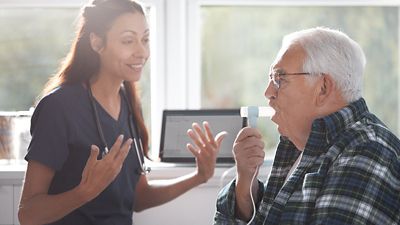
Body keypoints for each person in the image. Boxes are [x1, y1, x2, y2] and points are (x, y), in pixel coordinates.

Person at [17, 0, 226, 224]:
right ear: (97, 42)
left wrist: (199, 176)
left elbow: (138, 197)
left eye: (145, 39)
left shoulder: (128, 103)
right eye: (128, 40)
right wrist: (85, 192)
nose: (142, 52)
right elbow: (28, 214)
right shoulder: (58, 107)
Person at [214, 27, 400, 224]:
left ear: (323, 88)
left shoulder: (368, 151)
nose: (268, 92)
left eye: (280, 78)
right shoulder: (300, 145)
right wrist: (245, 185)